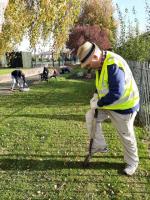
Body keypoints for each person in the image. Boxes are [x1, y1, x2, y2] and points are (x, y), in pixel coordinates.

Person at [77, 41, 140, 176]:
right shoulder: (101, 63)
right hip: (110, 104)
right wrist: (96, 95)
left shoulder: (112, 64)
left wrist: (99, 103)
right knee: (90, 116)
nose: (88, 68)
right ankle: (100, 145)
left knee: (126, 136)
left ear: (94, 57)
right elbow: (102, 85)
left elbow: (117, 92)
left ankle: (132, 162)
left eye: (88, 65)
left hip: (124, 106)